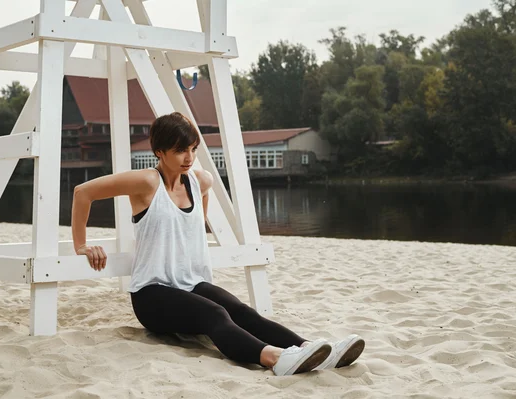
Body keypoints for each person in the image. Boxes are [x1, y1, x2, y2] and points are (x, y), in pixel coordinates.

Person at [71, 112, 365, 376]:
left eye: (192, 149)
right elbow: (83, 192)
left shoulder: (201, 181)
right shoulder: (147, 182)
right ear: (159, 152)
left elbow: (197, 221)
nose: (189, 157)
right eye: (180, 151)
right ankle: (276, 359)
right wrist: (82, 246)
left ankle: (310, 350)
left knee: (242, 311)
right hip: (151, 295)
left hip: (189, 283)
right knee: (214, 314)